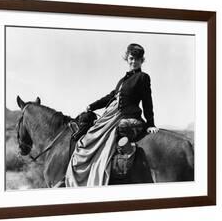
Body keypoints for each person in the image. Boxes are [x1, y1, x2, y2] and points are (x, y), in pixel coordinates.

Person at [65, 43, 159, 187]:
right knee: (89, 137)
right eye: (131, 58)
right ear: (127, 58)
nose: (134, 62)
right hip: (109, 115)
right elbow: (111, 96)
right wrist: (92, 106)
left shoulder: (143, 77)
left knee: (106, 137)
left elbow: (147, 101)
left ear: (142, 60)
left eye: (137, 59)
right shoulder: (123, 80)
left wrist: (150, 123)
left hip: (124, 116)